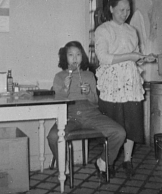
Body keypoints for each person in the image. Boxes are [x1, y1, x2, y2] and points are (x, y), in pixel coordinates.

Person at [95, 0, 156, 177]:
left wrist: (144, 58)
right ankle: (108, 160)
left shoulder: (132, 31)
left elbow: (135, 57)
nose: (125, 13)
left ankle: (127, 160)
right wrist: (131, 56)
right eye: (121, 9)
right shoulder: (103, 30)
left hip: (131, 84)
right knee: (114, 126)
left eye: (128, 10)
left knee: (133, 124)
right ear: (111, 9)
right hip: (112, 85)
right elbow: (103, 58)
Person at [47, 41, 126, 181]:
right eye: (71, 55)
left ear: (82, 57)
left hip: (91, 114)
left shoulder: (89, 75)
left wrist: (89, 92)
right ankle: (62, 163)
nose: (75, 58)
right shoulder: (59, 76)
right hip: (69, 115)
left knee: (120, 132)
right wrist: (65, 89)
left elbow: (95, 101)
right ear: (65, 58)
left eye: (78, 54)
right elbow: (57, 101)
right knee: (53, 136)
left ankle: (103, 162)